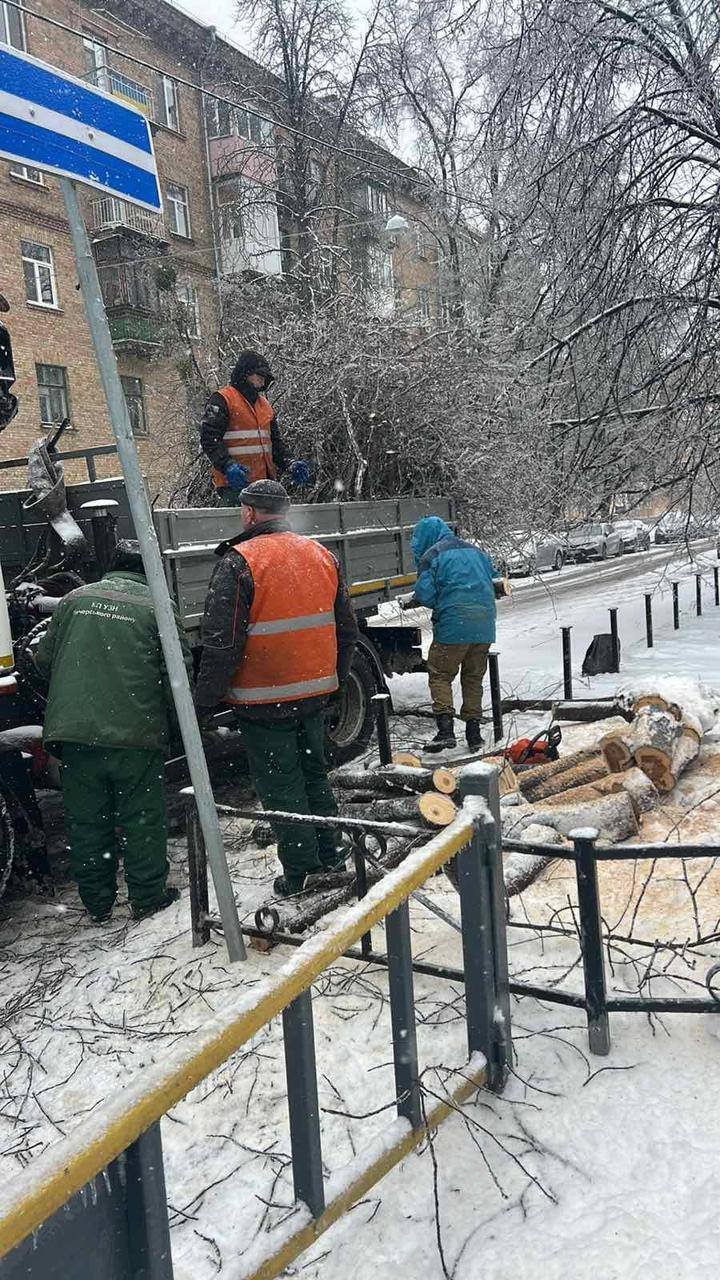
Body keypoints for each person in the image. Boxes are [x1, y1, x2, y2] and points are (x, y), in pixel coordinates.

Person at [194, 479, 359, 896]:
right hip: (313, 696)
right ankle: (331, 853)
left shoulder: (239, 562)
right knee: (314, 775)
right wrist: (334, 682)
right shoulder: (321, 555)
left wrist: (202, 706)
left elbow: (221, 645)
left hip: (265, 702)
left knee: (282, 787)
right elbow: (346, 629)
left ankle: (303, 873)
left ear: (249, 513)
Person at [33, 540, 191, 923]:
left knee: (87, 822)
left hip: (74, 736)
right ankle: (148, 898)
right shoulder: (157, 607)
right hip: (133, 734)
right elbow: (179, 673)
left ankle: (98, 903)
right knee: (141, 819)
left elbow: (42, 660)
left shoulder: (72, 600)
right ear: (148, 570)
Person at [405, 516, 499, 753]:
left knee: (439, 674)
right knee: (473, 677)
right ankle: (474, 734)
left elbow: (425, 594)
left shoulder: (433, 555)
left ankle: (445, 731)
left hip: (453, 625)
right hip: (484, 626)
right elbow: (494, 582)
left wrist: (446, 602)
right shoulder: (477, 552)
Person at [199, 349, 310, 505]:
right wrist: (227, 465)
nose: (263, 382)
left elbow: (275, 444)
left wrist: (290, 463)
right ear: (245, 373)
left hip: (265, 488)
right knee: (238, 528)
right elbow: (209, 438)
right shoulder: (223, 399)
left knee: (268, 529)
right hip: (235, 486)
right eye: (259, 376)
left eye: (265, 378)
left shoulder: (265, 406)